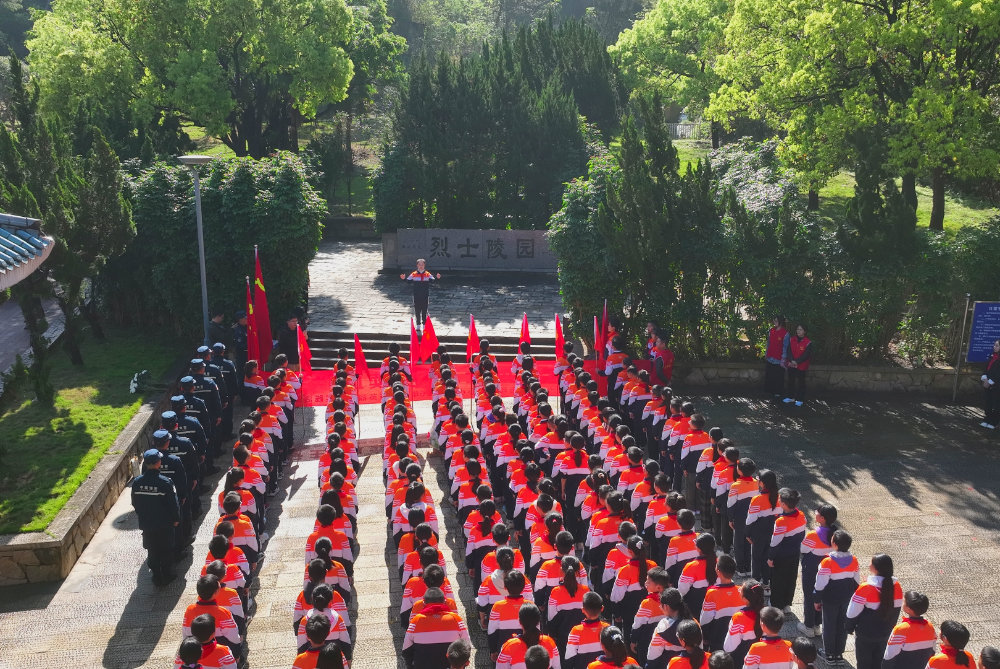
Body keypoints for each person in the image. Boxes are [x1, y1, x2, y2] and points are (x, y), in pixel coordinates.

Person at [131, 448, 181, 585]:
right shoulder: (165, 482)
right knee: (166, 549)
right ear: (158, 463)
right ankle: (166, 574)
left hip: (147, 523)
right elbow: (173, 503)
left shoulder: (137, 482)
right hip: (164, 524)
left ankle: (156, 576)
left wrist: (143, 515)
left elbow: (135, 503)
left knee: (152, 550)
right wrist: (176, 518)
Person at [846, 554, 902, 669]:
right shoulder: (896, 586)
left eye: (870, 563)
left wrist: (849, 627)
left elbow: (852, 612)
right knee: (878, 662)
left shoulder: (865, 587)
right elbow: (896, 611)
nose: (868, 565)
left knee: (864, 663)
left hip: (865, 634)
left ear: (875, 568)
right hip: (885, 633)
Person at [813, 530, 860, 664]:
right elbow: (857, 581)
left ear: (834, 544)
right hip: (846, 598)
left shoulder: (827, 562)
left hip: (830, 599)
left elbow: (820, 584)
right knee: (842, 625)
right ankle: (839, 654)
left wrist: (816, 599)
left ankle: (828, 654)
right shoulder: (854, 560)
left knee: (829, 625)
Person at [402, 587, 470, 669]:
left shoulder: (416, 621)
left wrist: (410, 665)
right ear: (444, 602)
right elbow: (466, 646)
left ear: (424, 603)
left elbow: (406, 649)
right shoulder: (456, 619)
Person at [798, 503, 837, 638]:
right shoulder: (836, 534)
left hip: (812, 566)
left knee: (809, 595)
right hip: (828, 567)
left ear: (822, 518)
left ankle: (808, 626)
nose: (815, 513)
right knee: (821, 594)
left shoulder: (813, 534)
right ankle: (817, 625)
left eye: (817, 513)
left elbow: (803, 549)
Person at [882, 591, 935, 669]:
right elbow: (932, 652)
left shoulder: (900, 629)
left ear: (909, 609)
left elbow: (889, 655)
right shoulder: (930, 627)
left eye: (904, 602)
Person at [564, 591, 608, 669]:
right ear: (602, 608)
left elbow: (569, 657)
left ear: (583, 610)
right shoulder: (607, 628)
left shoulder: (576, 631)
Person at [401, 258, 441, 328]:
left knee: (424, 310)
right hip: (416, 295)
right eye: (419, 264)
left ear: (424, 265)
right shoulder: (414, 274)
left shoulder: (427, 274)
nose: (421, 266)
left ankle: (424, 324)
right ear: (417, 265)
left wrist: (437, 278)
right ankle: (418, 324)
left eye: (422, 264)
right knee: (417, 310)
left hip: (425, 295)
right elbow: (409, 281)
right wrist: (404, 279)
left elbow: (433, 281)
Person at [783, 324, 812, 406]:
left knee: (801, 381)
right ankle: (790, 397)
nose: (799, 331)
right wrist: (791, 360)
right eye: (798, 329)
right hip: (791, 363)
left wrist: (797, 361)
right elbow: (789, 351)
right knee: (791, 380)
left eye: (801, 330)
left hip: (802, 365)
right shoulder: (791, 339)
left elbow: (806, 355)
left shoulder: (808, 342)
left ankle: (800, 398)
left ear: (804, 331)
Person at [764, 316, 789, 397]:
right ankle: (769, 390)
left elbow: (785, 346)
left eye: (776, 321)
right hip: (770, 356)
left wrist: (784, 357)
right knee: (770, 374)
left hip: (779, 358)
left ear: (781, 322)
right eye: (774, 320)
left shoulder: (785, 333)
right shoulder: (772, 330)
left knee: (778, 376)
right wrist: (766, 353)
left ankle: (778, 392)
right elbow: (769, 343)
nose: (774, 322)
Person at [982, 339, 1000, 429]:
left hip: (997, 384)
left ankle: (994, 421)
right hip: (988, 381)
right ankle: (987, 418)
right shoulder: (992, 356)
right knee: (988, 401)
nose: (994, 347)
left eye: (997, 345)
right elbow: (987, 368)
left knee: (996, 403)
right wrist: (985, 378)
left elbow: (998, 373)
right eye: (994, 345)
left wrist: (991, 382)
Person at [231, 310, 249, 378]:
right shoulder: (238, 330)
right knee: (242, 375)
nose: (247, 319)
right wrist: (249, 344)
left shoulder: (246, 328)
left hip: (247, 355)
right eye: (245, 318)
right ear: (240, 319)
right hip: (242, 356)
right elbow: (239, 345)